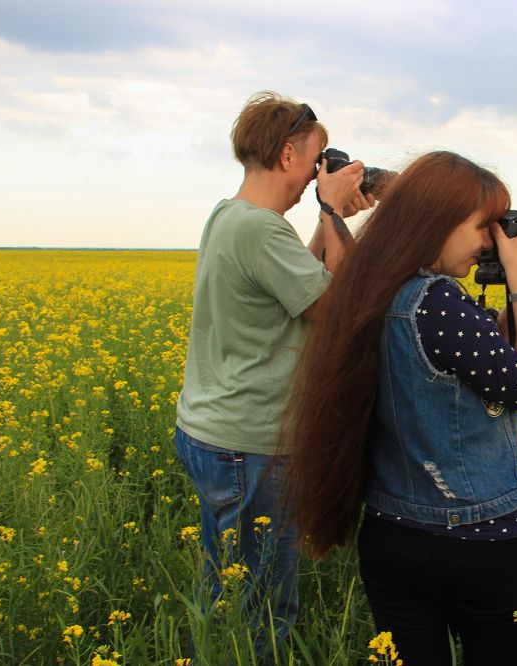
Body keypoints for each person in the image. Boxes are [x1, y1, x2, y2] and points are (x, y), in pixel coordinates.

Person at [287, 151, 517, 664]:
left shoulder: (375, 288)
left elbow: (480, 365)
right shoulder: (437, 304)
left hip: (394, 540)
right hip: (486, 545)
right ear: (438, 221)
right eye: (484, 226)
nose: (489, 242)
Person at [174, 91, 373, 659]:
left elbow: (299, 281)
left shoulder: (233, 216)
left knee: (225, 589)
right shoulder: (262, 232)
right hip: (249, 446)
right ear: (288, 154)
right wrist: (333, 214)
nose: (318, 172)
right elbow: (340, 316)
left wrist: (326, 219)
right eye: (317, 158)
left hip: (214, 432)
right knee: (262, 607)